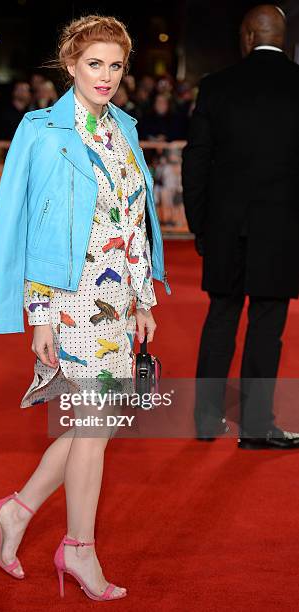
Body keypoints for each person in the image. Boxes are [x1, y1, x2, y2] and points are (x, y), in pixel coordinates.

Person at [0, 14, 170, 601]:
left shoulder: (124, 129)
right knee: (92, 429)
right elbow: (21, 224)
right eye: (95, 64)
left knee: (102, 423)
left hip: (117, 297)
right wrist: (36, 311)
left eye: (116, 65)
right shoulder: (41, 130)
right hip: (69, 299)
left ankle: (18, 509)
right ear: (71, 65)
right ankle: (79, 550)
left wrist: (142, 295)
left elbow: (132, 221)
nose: (107, 76)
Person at [182, 4, 299, 449]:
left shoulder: (216, 87)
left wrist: (199, 225)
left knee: (220, 318)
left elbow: (196, 160)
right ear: (282, 38)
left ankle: (207, 420)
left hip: (225, 228)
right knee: (267, 326)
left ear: (248, 35)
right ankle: (255, 427)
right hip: (283, 231)